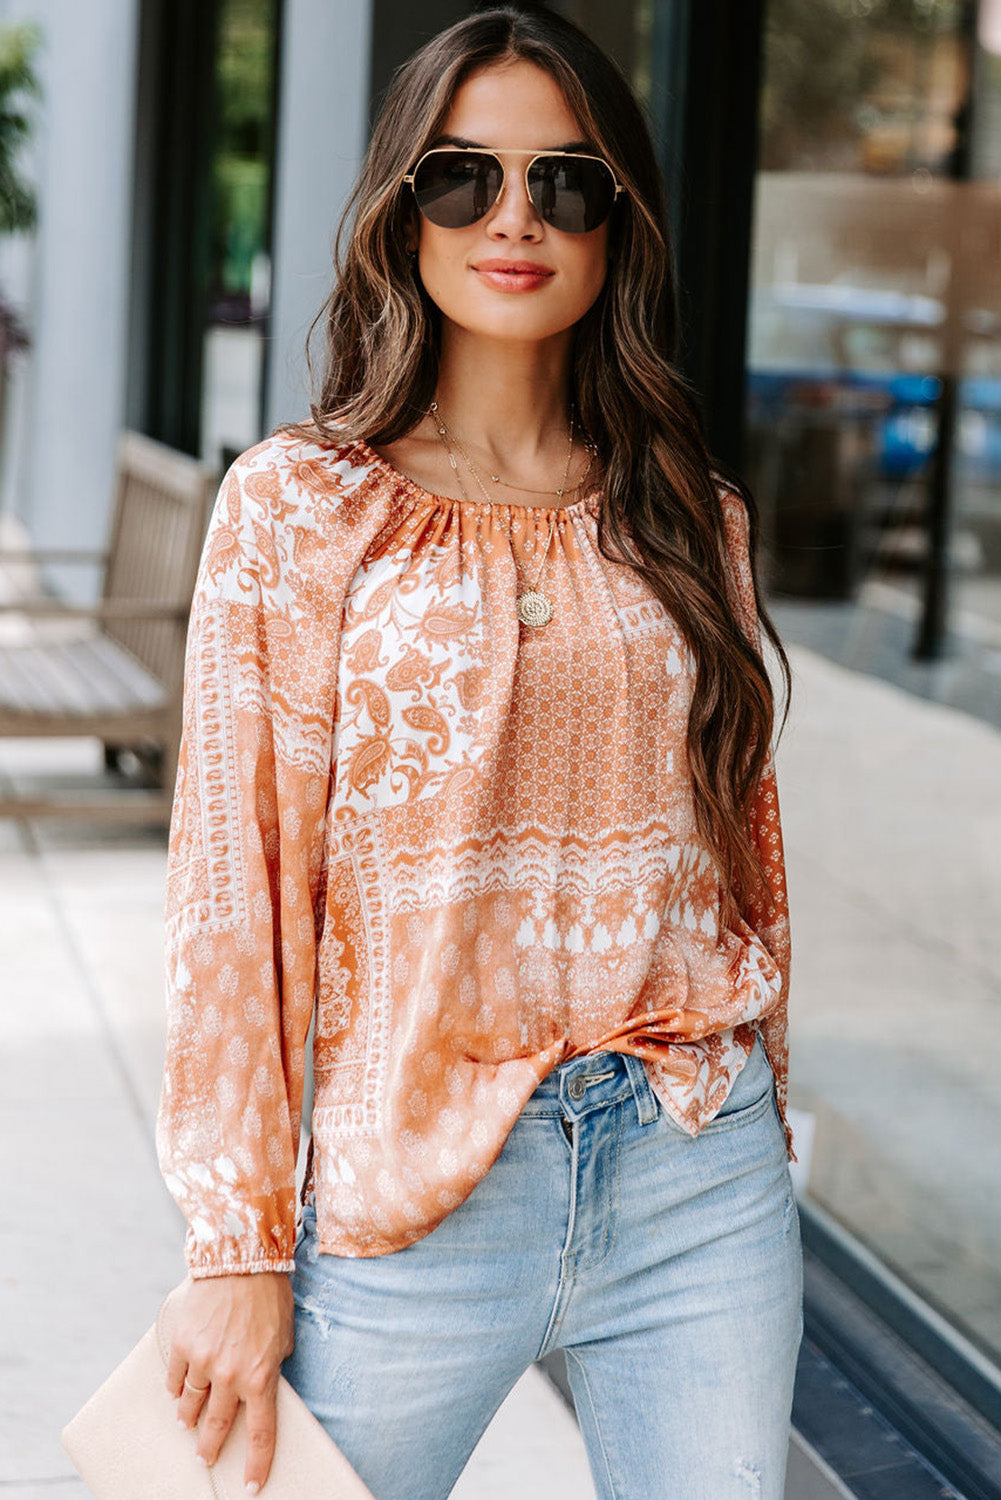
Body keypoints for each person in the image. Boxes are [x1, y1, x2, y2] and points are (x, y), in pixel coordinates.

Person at [156, 6, 803, 1498]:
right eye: (463, 177)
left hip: (695, 1167)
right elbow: (231, 899)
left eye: (566, 182)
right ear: (401, 209)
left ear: (616, 220)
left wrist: (768, 1105)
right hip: (415, 1184)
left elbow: (740, 849)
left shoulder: (687, 513)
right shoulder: (300, 510)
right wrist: (237, 1242)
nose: (515, 219)